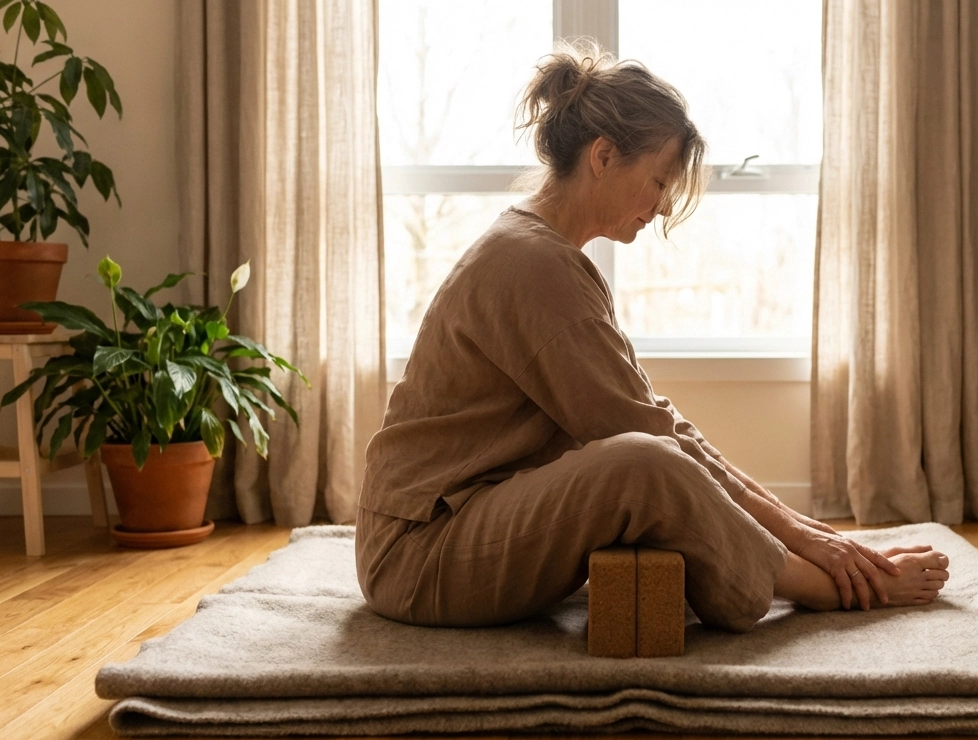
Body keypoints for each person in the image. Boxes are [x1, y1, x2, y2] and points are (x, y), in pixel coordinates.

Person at [356, 42, 948, 633]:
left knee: (651, 450)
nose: (662, 206)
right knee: (640, 462)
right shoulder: (533, 265)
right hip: (418, 557)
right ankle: (822, 588)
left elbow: (661, 422)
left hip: (445, 531)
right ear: (604, 156)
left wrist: (815, 534)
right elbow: (647, 441)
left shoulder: (542, 251)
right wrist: (811, 550)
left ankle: (826, 567)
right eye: (658, 181)